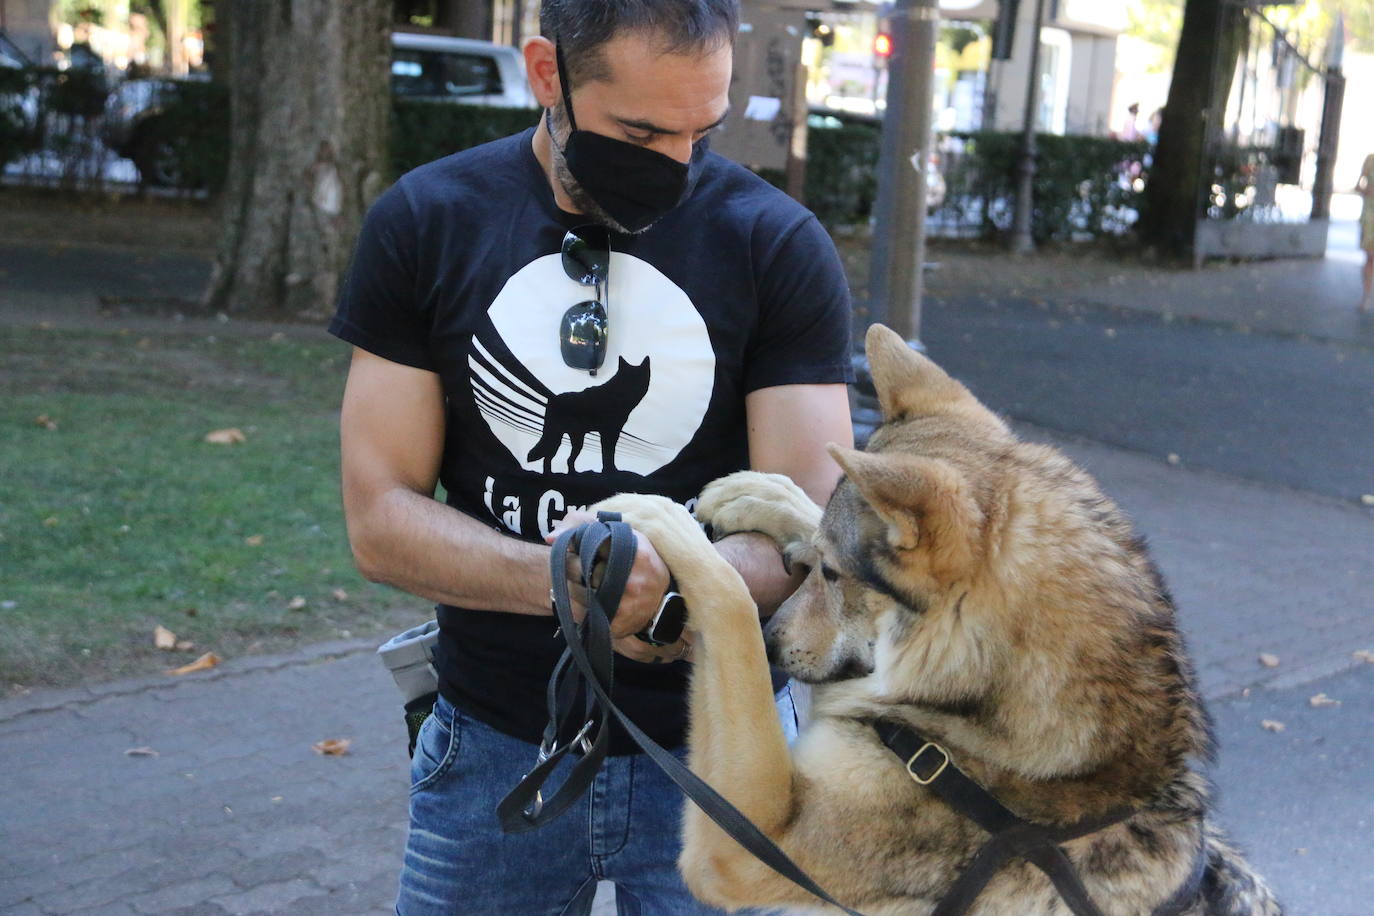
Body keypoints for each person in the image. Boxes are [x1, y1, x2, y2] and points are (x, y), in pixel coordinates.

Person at [328, 0, 855, 912]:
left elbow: (813, 530)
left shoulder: (776, 244)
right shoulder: (427, 221)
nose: (676, 166)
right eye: (642, 131)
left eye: (703, 130)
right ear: (547, 74)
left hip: (724, 756)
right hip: (492, 751)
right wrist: (568, 583)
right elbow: (379, 522)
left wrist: (679, 590)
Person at [1359, 152, 1374, 312]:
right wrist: (1366, 191)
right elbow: (1359, 185)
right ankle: (1366, 296)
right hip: (1370, 216)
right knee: (1370, 257)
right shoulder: (1370, 159)